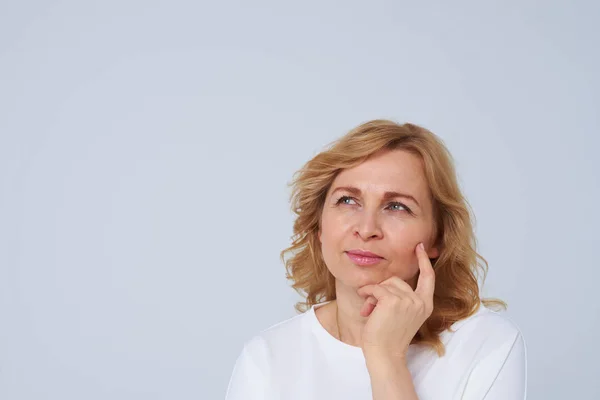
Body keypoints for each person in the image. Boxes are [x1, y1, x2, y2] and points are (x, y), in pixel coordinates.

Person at [225, 120, 527, 400]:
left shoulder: (485, 344)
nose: (367, 229)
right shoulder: (267, 358)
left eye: (397, 206)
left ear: (438, 238)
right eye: (347, 200)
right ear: (319, 226)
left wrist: (386, 360)